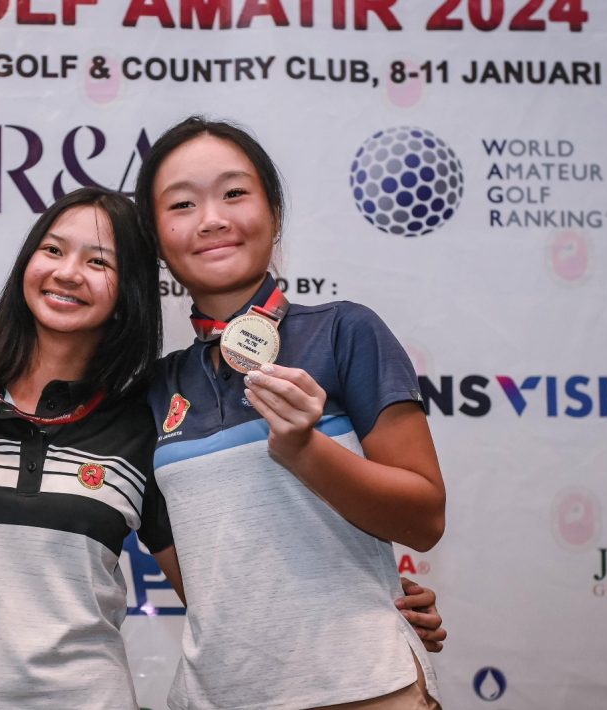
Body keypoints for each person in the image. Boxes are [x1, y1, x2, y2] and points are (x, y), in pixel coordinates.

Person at [0, 185, 446, 708]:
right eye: (53, 250)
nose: (68, 272)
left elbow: (221, 588)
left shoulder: (141, 422)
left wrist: (368, 605)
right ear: (26, 263)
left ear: (130, 291)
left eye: (99, 262)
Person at [134, 116, 447, 709]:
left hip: (365, 687)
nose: (212, 220)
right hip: (217, 696)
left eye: (234, 193)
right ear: (155, 238)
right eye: (181, 204)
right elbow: (210, 579)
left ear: (273, 212)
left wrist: (305, 451)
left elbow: (424, 519)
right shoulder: (156, 387)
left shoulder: (344, 331)